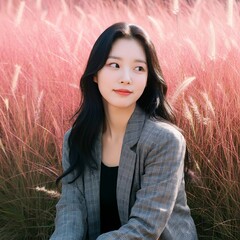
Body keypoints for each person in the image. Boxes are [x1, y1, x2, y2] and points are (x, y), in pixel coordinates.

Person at [50, 22, 198, 240]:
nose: (126, 78)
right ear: (95, 73)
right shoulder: (76, 138)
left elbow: (146, 226)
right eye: (114, 65)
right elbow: (71, 208)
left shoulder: (165, 140)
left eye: (139, 68)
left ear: (148, 79)